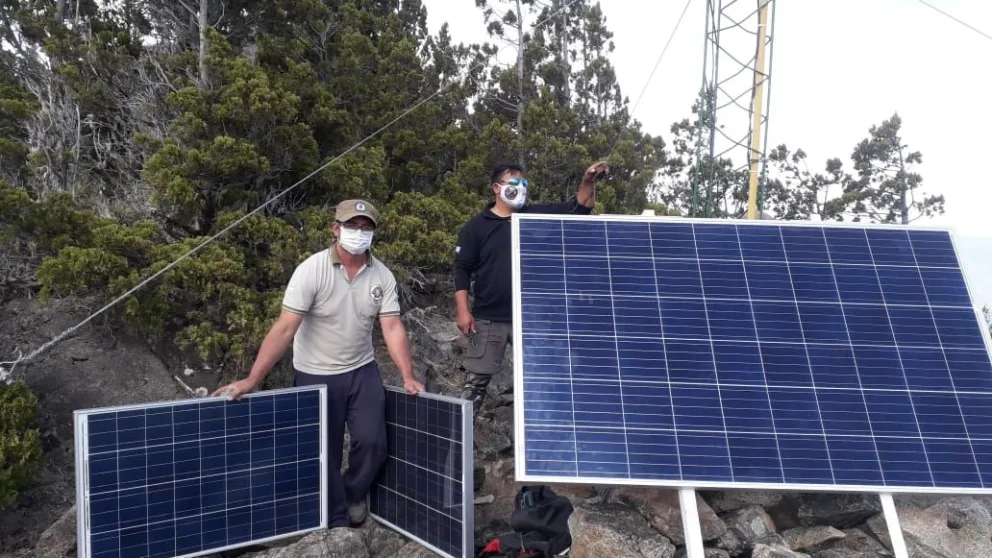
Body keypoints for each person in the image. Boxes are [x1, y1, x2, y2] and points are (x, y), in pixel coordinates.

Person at [212, 199, 424, 529]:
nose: (359, 233)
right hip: (316, 373)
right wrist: (253, 378)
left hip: (362, 370)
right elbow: (285, 328)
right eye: (352, 226)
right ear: (336, 229)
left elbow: (392, 327)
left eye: (366, 228)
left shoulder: (382, 275)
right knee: (322, 453)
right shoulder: (312, 270)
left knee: (372, 441)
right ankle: (337, 521)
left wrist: (407, 375)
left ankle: (352, 492)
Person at [453, 161, 608, 412]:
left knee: (545, 383)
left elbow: (579, 208)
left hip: (533, 320)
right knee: (475, 387)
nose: (521, 188)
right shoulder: (476, 227)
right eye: (514, 183)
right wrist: (462, 310)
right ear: (496, 188)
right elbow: (461, 269)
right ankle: (458, 447)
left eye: (524, 183)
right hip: (489, 318)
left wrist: (588, 181)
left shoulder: (535, 218)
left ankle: (546, 443)